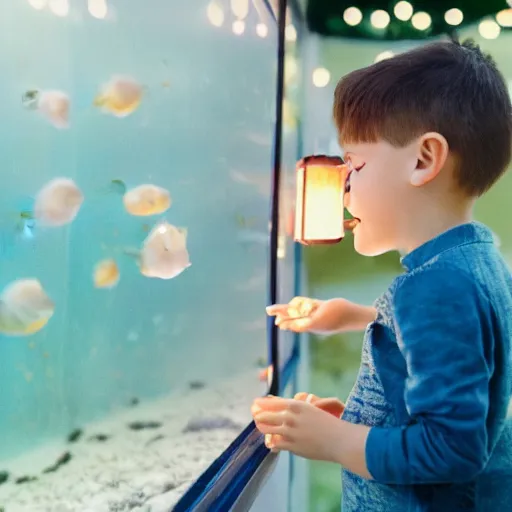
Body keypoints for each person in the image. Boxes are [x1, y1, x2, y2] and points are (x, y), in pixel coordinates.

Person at [251, 39, 512, 511]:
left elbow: (452, 449)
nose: (344, 189)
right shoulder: (477, 258)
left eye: (354, 165)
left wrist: (338, 441)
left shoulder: (434, 285)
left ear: (423, 160)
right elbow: (454, 344)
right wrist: (350, 321)